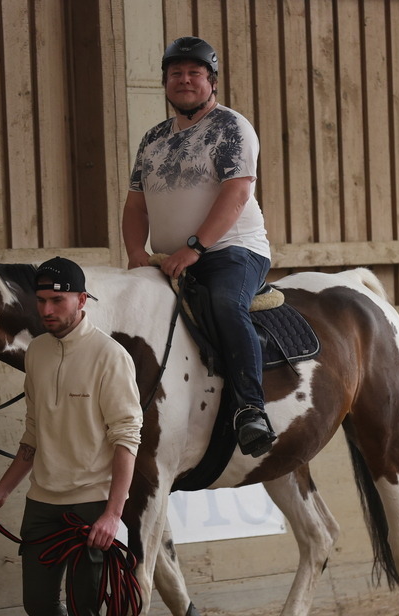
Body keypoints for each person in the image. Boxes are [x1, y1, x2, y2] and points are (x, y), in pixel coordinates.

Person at [0, 257, 143, 616]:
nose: (47, 310)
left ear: (82, 300)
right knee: (39, 605)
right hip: (41, 504)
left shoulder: (111, 356)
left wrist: (113, 513)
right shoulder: (38, 354)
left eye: (57, 300)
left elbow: (127, 439)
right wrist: (3, 490)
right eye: (41, 300)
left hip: (91, 508)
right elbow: (32, 433)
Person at [122, 35, 276, 458]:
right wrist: (136, 252)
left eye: (194, 73)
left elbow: (237, 193)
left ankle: (250, 409)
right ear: (165, 82)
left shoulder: (231, 127)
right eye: (176, 74)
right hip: (168, 260)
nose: (184, 80)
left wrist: (195, 248)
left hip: (232, 251)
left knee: (227, 303)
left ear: (212, 81)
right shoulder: (152, 138)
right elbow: (136, 204)